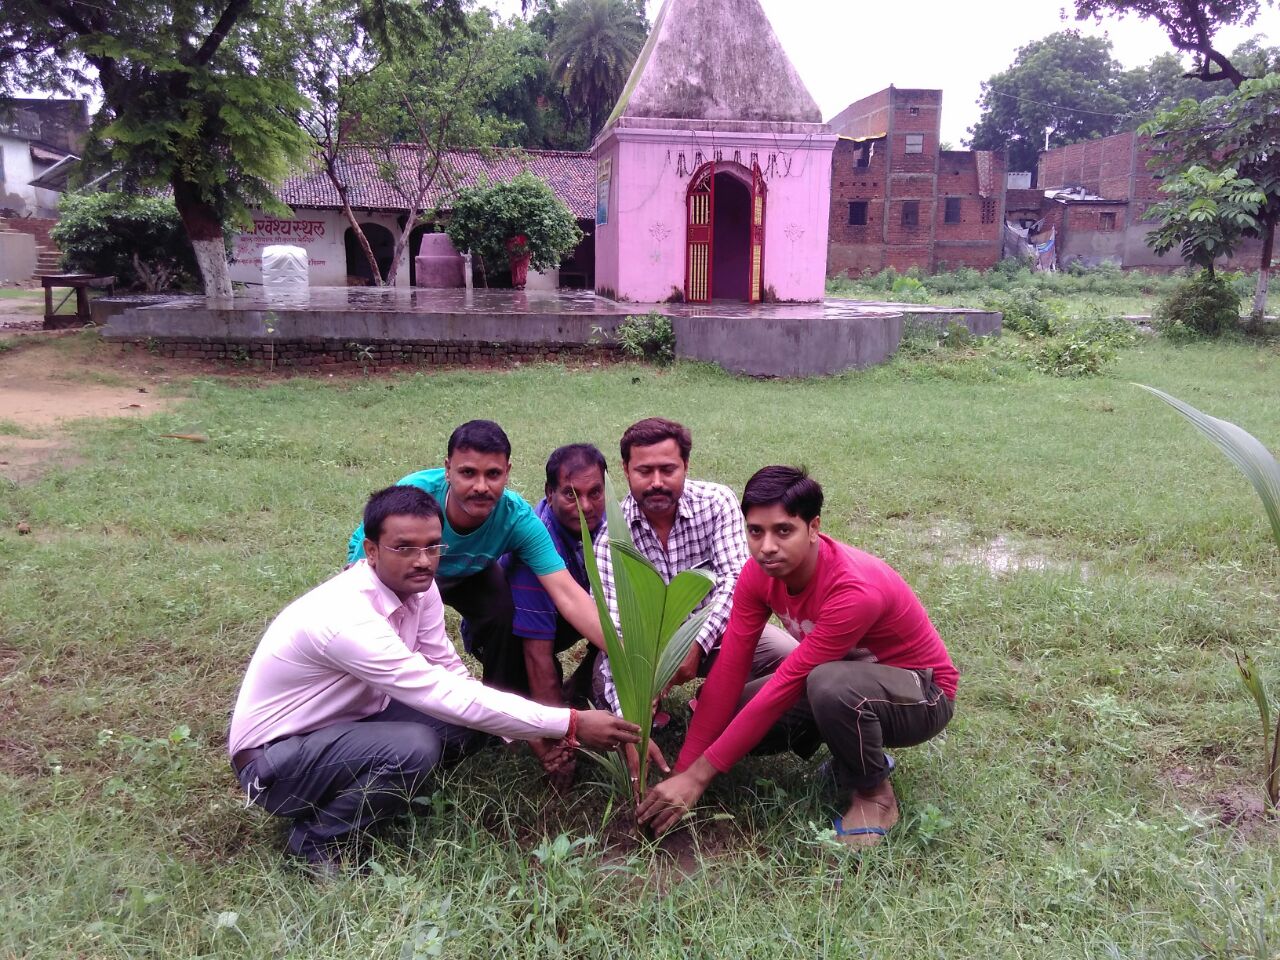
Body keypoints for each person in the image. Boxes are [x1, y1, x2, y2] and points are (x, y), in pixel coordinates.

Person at [230, 485, 639, 874]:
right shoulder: (345, 618)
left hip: (344, 727)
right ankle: (317, 841)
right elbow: (439, 692)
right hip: (273, 765)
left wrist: (525, 731)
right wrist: (571, 723)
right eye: (403, 548)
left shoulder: (420, 591)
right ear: (370, 551)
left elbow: (449, 673)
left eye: (432, 546)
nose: (423, 560)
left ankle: (386, 790)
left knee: (467, 722)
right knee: (415, 747)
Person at [637, 466, 958, 848]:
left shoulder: (853, 589)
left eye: (783, 530)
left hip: (922, 694)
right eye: (756, 531)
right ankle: (847, 754)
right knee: (721, 707)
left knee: (828, 685)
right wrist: (685, 771)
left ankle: (874, 794)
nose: (767, 546)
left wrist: (700, 776)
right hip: (843, 678)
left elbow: (786, 685)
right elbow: (728, 673)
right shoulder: (757, 575)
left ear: (813, 527)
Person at [346, 420, 605, 696]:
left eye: (493, 474)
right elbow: (363, 574)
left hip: (474, 572)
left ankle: (502, 711)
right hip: (409, 568)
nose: (481, 486)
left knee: (504, 612)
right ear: (447, 470)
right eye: (468, 473)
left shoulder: (517, 519)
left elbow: (568, 593)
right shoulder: (414, 497)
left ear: (507, 473)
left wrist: (623, 652)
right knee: (386, 623)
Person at [592, 418, 795, 721]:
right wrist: (633, 720)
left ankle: (712, 705)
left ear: (686, 465)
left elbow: (736, 579)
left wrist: (697, 642)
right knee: (614, 708)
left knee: (788, 660)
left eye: (668, 469)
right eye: (644, 471)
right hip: (645, 651)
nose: (657, 482)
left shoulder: (715, 503)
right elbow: (616, 627)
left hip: (719, 633)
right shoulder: (611, 536)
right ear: (625, 470)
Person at [497, 443, 608, 709]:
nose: (585, 506)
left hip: (567, 612)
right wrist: (559, 730)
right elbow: (537, 650)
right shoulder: (535, 548)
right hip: (510, 632)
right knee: (526, 697)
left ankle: (580, 686)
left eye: (595, 492)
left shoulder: (611, 524)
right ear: (550, 493)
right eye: (571, 495)